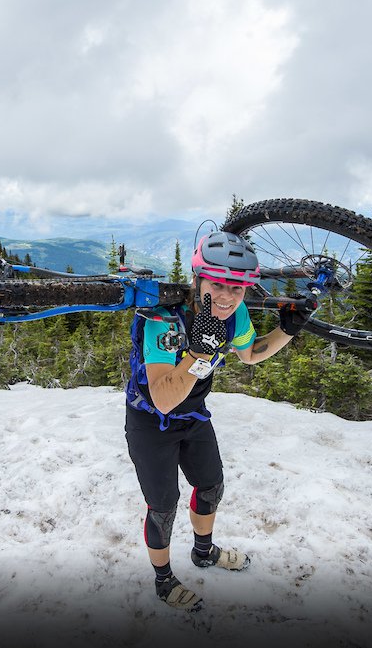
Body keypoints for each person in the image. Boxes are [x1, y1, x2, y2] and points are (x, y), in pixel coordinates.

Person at [124, 231, 309, 612]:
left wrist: (287, 331)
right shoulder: (163, 320)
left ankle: (204, 553)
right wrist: (196, 352)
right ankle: (163, 581)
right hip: (150, 421)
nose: (227, 298)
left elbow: (250, 355)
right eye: (218, 286)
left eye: (237, 289)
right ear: (198, 281)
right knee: (163, 505)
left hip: (193, 415)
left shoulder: (234, 313)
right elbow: (161, 399)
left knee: (210, 487)